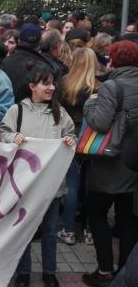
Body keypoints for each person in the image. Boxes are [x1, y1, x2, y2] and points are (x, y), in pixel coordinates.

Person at [0, 64, 76, 287]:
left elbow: (71, 135)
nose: (51, 87)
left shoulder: (60, 113)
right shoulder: (18, 111)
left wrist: (71, 141)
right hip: (24, 185)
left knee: (50, 232)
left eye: (53, 83)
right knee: (24, 230)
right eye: (46, 83)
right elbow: (3, 133)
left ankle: (49, 272)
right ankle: (23, 272)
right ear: (32, 86)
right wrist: (12, 137)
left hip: (52, 186)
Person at [81, 41, 138, 287]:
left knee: (97, 214)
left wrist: (90, 103)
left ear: (112, 60)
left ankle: (105, 269)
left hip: (109, 163)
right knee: (127, 218)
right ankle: (126, 268)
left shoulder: (111, 86)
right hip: (133, 164)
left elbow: (100, 123)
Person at [57, 47, 100, 247]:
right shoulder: (100, 86)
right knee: (91, 186)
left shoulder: (65, 83)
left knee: (72, 185)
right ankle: (90, 231)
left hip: (70, 137)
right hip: (93, 139)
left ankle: (69, 230)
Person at [2, 23, 54, 101]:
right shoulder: (45, 66)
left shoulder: (5, 62)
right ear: (39, 43)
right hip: (33, 110)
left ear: (19, 41)